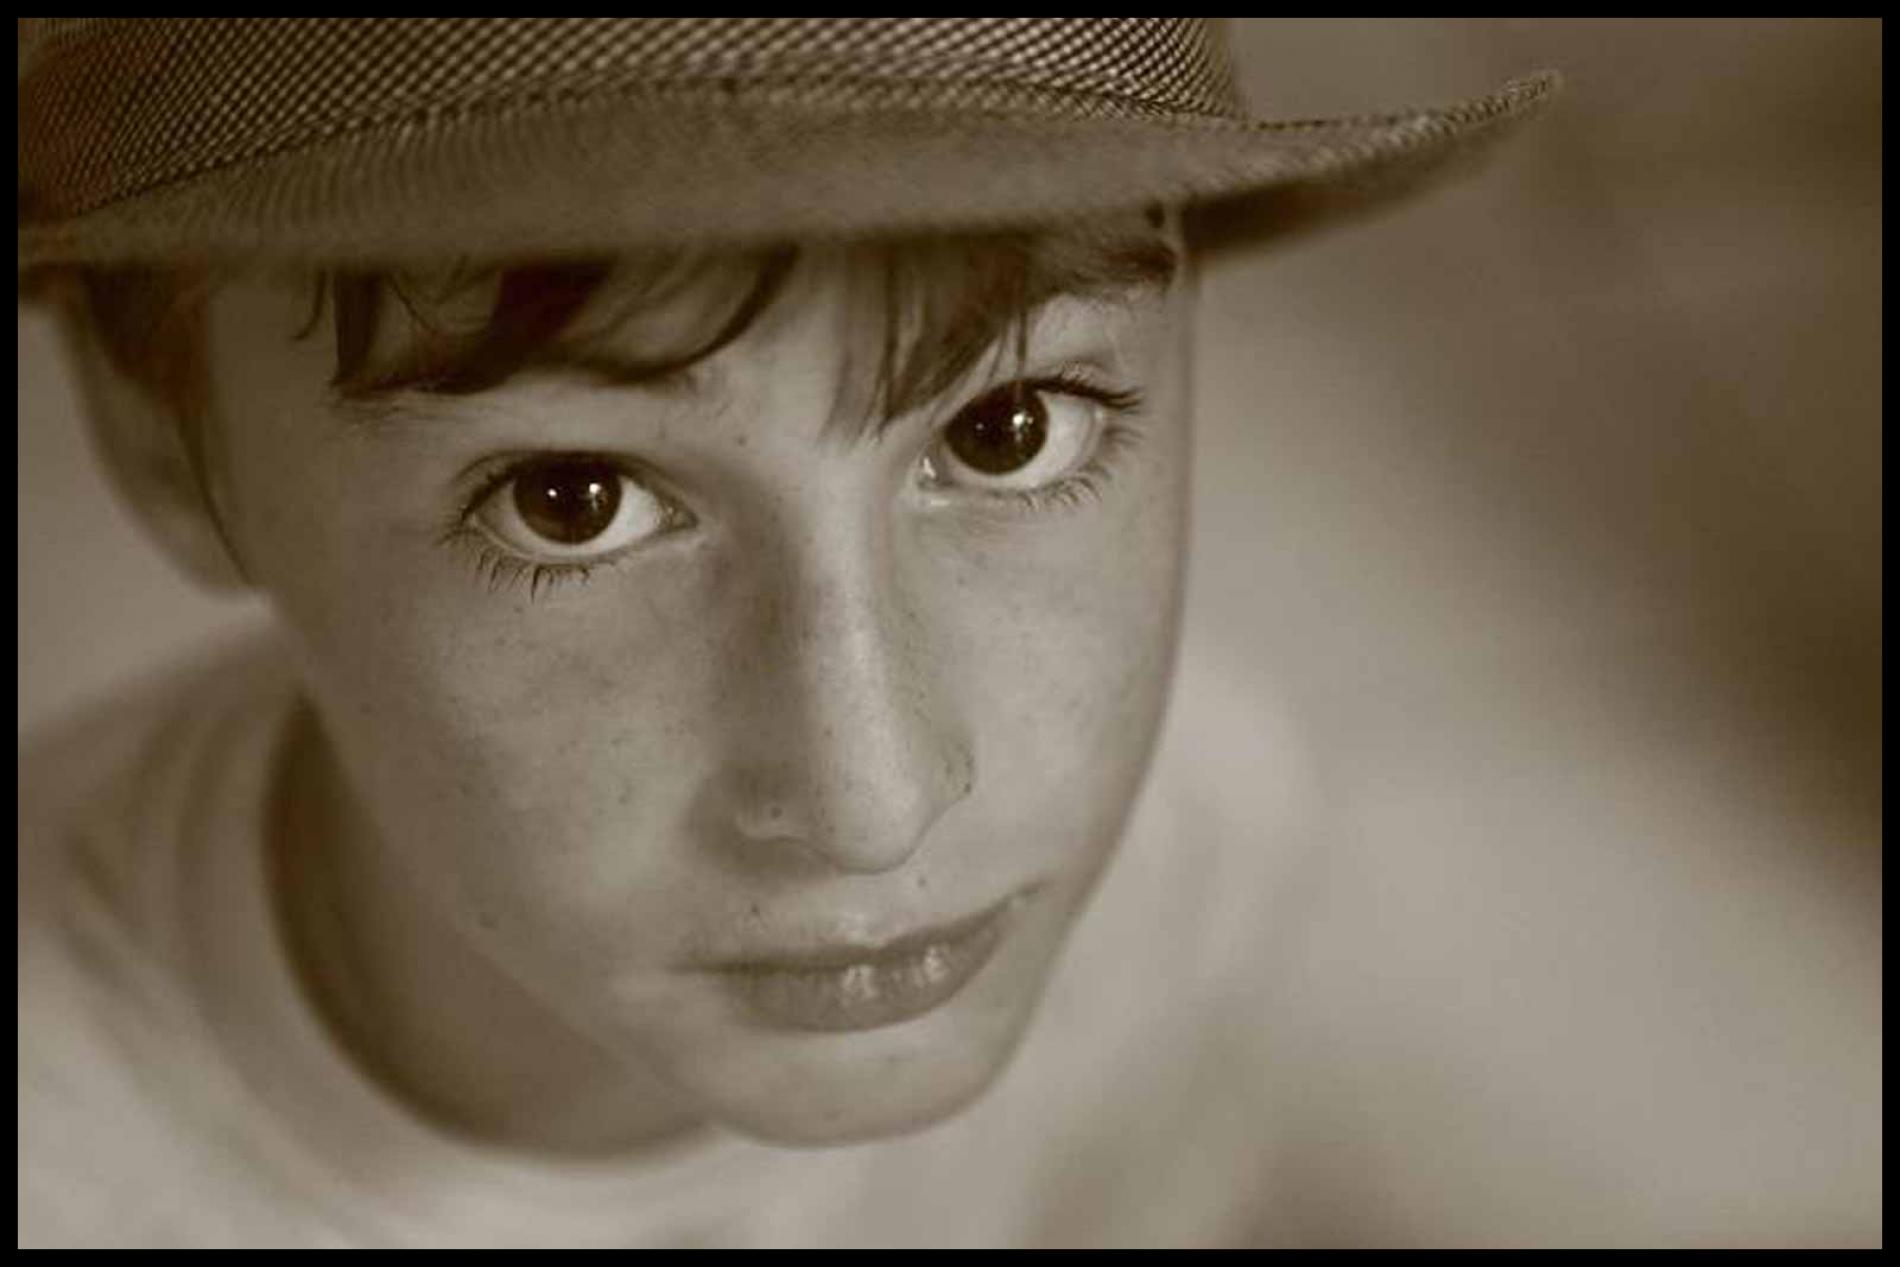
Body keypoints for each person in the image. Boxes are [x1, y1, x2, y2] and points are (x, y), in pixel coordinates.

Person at [17, 19, 1558, 1247]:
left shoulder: (1193, 849)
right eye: (570, 501)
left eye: (1011, 427)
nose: (872, 806)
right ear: (166, 444)